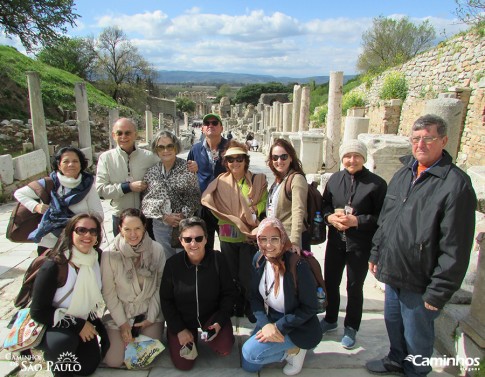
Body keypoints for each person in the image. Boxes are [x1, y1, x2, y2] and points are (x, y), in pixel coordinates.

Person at [366, 114, 477, 377]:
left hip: (421, 279)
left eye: (428, 138)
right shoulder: (404, 173)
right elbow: (387, 219)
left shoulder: (455, 185)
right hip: (392, 269)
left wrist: (439, 291)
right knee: (393, 323)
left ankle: (415, 372)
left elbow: (456, 247)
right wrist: (376, 251)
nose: (420, 144)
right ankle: (395, 359)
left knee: (417, 335)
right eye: (416, 138)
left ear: (444, 140)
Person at [319, 140, 387, 349]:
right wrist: (330, 218)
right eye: (348, 156)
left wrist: (358, 221)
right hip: (336, 242)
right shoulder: (334, 180)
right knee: (330, 281)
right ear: (342, 158)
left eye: (356, 156)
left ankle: (351, 326)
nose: (352, 160)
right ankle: (331, 319)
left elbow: (383, 217)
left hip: (360, 243)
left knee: (354, 286)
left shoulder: (377, 184)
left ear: (364, 158)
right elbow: (324, 206)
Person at [241, 217, 322, 375]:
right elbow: (254, 297)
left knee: (250, 353)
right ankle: (287, 349)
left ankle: (295, 351)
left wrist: (279, 327)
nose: (268, 245)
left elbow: (310, 307)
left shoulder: (298, 266)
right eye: (263, 239)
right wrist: (265, 324)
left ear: (283, 239)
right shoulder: (259, 259)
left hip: (296, 324)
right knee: (249, 365)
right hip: (272, 318)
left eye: (274, 239)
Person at [30, 213, 108, 376]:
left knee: (88, 367)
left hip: (83, 319)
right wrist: (78, 325)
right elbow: (38, 311)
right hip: (54, 323)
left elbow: (91, 299)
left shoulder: (95, 257)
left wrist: (100, 328)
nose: (88, 235)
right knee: (64, 344)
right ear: (70, 232)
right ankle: (51, 351)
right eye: (81, 230)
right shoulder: (54, 266)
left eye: (93, 231)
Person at [201, 141, 268, 322]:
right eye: (231, 159)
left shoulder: (257, 180)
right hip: (227, 234)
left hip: (249, 235)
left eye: (239, 159)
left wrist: (253, 210)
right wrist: (230, 217)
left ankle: (249, 305)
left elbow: (263, 200)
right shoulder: (220, 182)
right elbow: (209, 202)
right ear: (226, 163)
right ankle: (234, 303)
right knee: (230, 273)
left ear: (245, 161)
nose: (235, 163)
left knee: (247, 273)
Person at [160, 217, 237, 371]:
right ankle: (180, 336)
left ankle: (215, 334)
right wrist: (179, 329)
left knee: (224, 348)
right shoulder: (172, 264)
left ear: (206, 239)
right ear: (181, 241)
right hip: (183, 320)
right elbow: (166, 299)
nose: (193, 244)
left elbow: (229, 293)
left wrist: (219, 322)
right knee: (184, 365)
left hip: (211, 317)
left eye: (198, 238)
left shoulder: (218, 259)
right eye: (188, 239)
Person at [100, 208, 166, 368]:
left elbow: (160, 286)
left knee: (140, 361)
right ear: (120, 229)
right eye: (127, 229)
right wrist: (123, 324)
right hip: (122, 312)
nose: (133, 234)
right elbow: (109, 293)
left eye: (137, 228)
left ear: (144, 227)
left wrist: (150, 317)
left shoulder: (156, 249)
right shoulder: (109, 255)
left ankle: (151, 330)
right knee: (114, 361)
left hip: (148, 311)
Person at [14, 147, 103, 255]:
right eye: (66, 161)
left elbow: (99, 215)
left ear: (81, 164)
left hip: (79, 243)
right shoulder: (49, 183)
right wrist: (36, 206)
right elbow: (19, 193)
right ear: (59, 165)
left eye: (75, 161)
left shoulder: (88, 186)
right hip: (49, 242)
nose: (71, 164)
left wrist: (79, 224)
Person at [141, 130, 200, 259]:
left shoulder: (187, 168)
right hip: (160, 225)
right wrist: (164, 217)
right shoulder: (152, 172)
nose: (165, 150)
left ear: (176, 147)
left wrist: (181, 216)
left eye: (169, 146)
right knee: (165, 260)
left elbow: (194, 197)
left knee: (184, 258)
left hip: (183, 223)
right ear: (156, 150)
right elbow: (147, 201)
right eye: (161, 147)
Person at [96, 117, 159, 236]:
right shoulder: (106, 158)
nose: (123, 137)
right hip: (120, 217)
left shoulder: (149, 157)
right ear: (113, 135)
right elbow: (100, 190)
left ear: (135, 134)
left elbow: (168, 166)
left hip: (145, 217)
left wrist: (191, 166)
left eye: (128, 133)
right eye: (119, 133)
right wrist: (127, 187)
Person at [187, 113, 228, 250]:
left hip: (225, 206)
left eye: (215, 123)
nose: (211, 125)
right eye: (207, 123)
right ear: (203, 129)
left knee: (227, 244)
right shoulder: (196, 149)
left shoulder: (230, 148)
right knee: (204, 244)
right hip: (204, 206)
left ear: (221, 128)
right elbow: (188, 175)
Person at [267, 139, 308, 253]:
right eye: (275, 157)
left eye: (283, 156)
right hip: (278, 237)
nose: (279, 161)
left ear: (291, 157)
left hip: (291, 240)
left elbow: (298, 211)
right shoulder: (279, 180)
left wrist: (294, 241)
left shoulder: (296, 179)